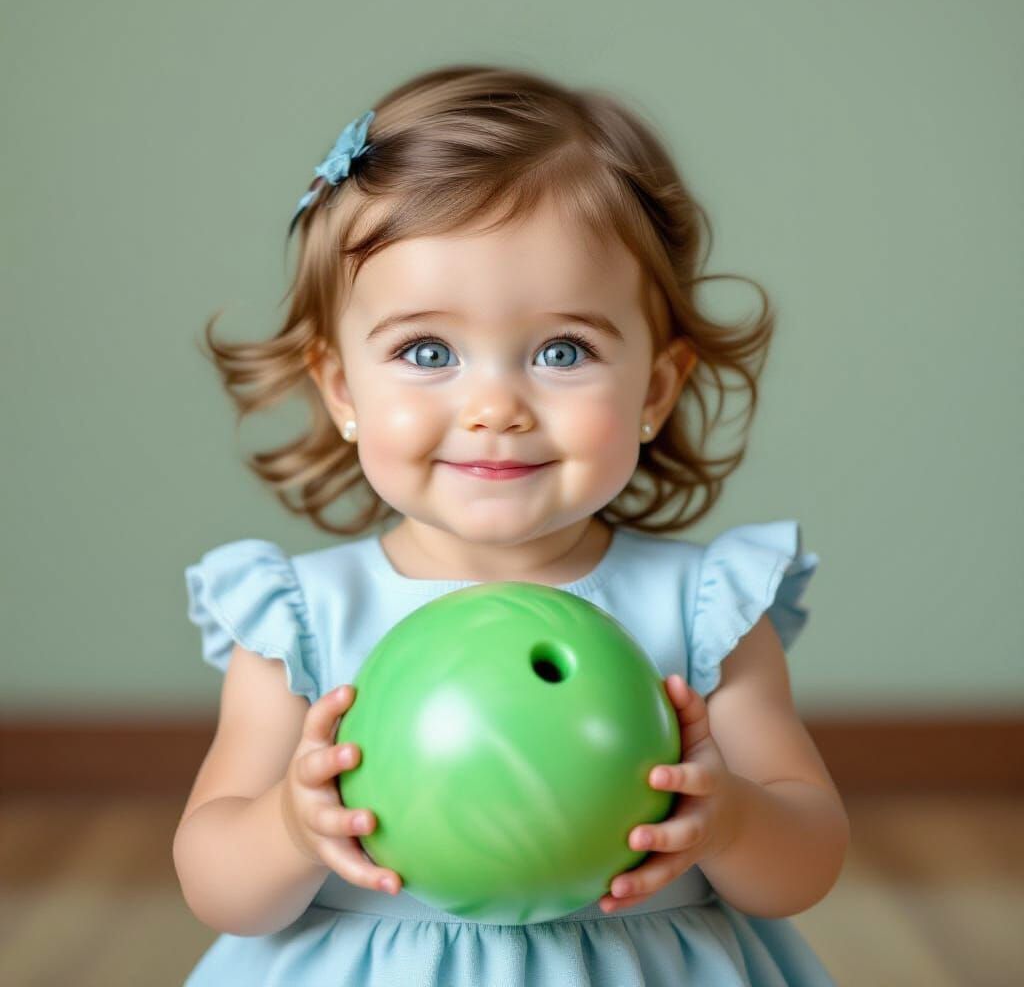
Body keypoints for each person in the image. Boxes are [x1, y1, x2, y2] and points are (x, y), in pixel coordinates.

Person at [174, 62, 849, 985]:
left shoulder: (704, 612)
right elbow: (217, 887)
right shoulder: (300, 621)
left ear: (655, 388)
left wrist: (727, 817)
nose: (496, 405)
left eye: (561, 350)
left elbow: (806, 862)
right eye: (427, 350)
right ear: (342, 390)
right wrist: (292, 825)